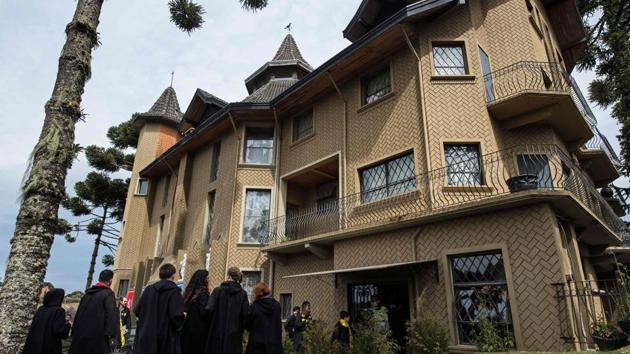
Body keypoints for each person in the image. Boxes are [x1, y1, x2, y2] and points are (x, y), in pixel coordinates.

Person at [134, 263, 186, 354]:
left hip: (147, 336)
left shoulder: (148, 290)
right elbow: (176, 315)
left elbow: (137, 310)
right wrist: (183, 316)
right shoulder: (175, 292)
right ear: (173, 275)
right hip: (166, 338)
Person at [68, 269, 119, 354]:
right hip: (98, 338)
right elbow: (111, 315)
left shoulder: (87, 294)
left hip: (80, 336)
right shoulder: (108, 294)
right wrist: (111, 334)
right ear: (110, 280)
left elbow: (78, 314)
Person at [204, 266, 250, 354]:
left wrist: (211, 323)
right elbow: (246, 314)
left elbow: (209, 309)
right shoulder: (242, 294)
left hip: (217, 331)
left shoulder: (218, 291)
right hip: (234, 333)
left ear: (228, 276)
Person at [22, 288, 71, 354]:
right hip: (49, 347)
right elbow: (59, 331)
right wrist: (67, 323)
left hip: (34, 345)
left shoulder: (41, 309)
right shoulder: (59, 311)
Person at [245, 282, 282, 354]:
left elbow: (247, 325)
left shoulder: (254, 307)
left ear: (257, 294)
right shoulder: (277, 306)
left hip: (257, 345)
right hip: (274, 344)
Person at [181, 269, 210, 354]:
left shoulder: (188, 293)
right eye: (207, 278)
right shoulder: (203, 294)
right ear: (203, 279)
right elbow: (204, 312)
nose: (209, 280)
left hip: (186, 330)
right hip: (199, 332)